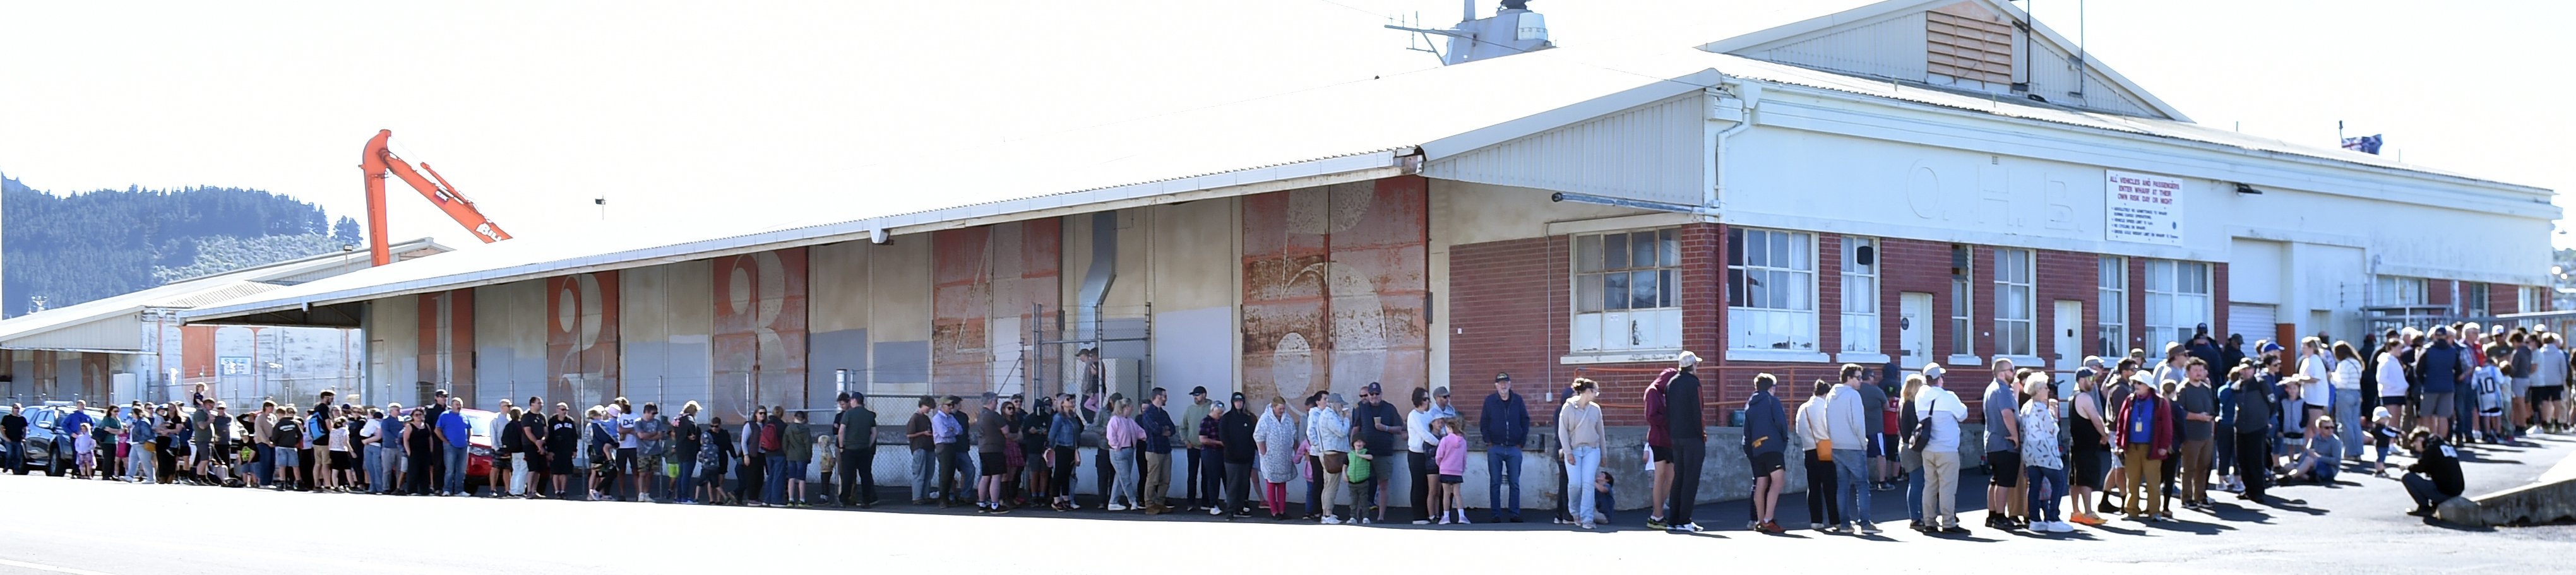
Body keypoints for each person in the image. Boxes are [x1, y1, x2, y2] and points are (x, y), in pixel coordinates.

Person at [1914, 364, 1969, 534]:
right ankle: (1948, 522)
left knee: (1930, 485)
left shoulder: (1920, 396)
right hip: (1947, 448)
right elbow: (1963, 415)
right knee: (1947, 486)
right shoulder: (1948, 397)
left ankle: (1929, 521)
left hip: (1928, 447)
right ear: (1939, 379)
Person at [2018, 374, 2073, 533]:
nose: (2048, 390)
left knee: (2034, 485)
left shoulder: (2027, 406)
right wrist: (2054, 412)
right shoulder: (2041, 408)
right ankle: (2054, 518)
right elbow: (2052, 429)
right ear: (2037, 390)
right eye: (2044, 387)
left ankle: (2035, 520)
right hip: (2045, 452)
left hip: (2030, 451)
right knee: (2059, 482)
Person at [1827, 364, 1878, 535]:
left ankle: (1845, 524)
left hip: (1836, 445)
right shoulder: (1853, 396)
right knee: (1862, 484)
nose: (1861, 381)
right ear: (1849, 378)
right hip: (1853, 445)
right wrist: (1863, 442)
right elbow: (1858, 423)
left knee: (1842, 486)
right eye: (1858, 377)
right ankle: (1865, 523)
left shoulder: (1831, 396)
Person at [2114, 373, 2173, 521]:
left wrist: (2164, 446)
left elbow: (2167, 426)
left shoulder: (2159, 402)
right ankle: (2131, 510)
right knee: (2132, 481)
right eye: (2135, 383)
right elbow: (2121, 423)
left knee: (2153, 481)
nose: (2136, 386)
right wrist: (2120, 444)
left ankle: (2154, 512)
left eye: (2140, 383)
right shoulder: (2130, 400)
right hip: (2132, 447)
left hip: (2152, 447)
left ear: (2148, 386)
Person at [1663, 351, 1708, 533]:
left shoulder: (1671, 383)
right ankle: (1685, 519)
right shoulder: (1694, 383)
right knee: (1691, 479)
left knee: (1679, 478)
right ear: (1693, 366)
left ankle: (1673, 520)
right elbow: (1698, 411)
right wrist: (1702, 434)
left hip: (1676, 436)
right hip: (1692, 437)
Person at [1554, 379, 1607, 530]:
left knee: (1588, 483)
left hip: (1592, 449)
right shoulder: (1568, 407)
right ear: (1588, 391)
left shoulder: (1596, 409)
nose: (1597, 394)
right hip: (1574, 450)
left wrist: (1604, 453)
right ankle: (1574, 511)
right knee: (1575, 483)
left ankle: (1587, 518)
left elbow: (1601, 433)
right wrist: (1568, 452)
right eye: (1595, 391)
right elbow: (1562, 432)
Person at [1479, 372, 1530, 523]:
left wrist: (1522, 442)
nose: (1503, 385)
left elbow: (1525, 421)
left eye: (1506, 382)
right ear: (1496, 385)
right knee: (1495, 482)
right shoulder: (1490, 401)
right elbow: (1484, 422)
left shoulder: (1518, 400)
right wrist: (1488, 441)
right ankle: (1496, 514)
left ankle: (1514, 513)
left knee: (1514, 482)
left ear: (1510, 384)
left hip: (1514, 447)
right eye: (1500, 383)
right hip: (1495, 447)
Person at [1981, 358, 2025, 531]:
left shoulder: (1990, 389)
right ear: (2002, 372)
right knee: (2004, 482)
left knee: (1995, 480)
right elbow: (2007, 414)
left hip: (1992, 442)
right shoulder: (2002, 390)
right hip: (2004, 442)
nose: (2014, 374)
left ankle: (1992, 515)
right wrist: (2015, 436)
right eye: (2011, 370)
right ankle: (2000, 516)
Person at [1742, 372, 1789, 533]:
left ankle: (1760, 520)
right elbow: (1781, 423)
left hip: (1756, 448)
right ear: (1771, 388)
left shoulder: (1750, 404)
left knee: (1760, 483)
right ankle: (1768, 520)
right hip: (1773, 445)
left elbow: (1746, 432)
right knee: (1778, 481)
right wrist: (1784, 440)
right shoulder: (1772, 401)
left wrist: (1750, 450)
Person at [1350, 381, 1402, 523]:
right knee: (1361, 484)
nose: (1374, 396)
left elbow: (1399, 428)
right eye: (1371, 394)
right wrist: (1351, 447)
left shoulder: (1389, 408)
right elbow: (1356, 428)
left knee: (1383, 484)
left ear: (1381, 394)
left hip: (1384, 452)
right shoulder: (1361, 408)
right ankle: (1358, 515)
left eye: (1376, 394)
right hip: (1364, 452)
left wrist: (1384, 428)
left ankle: (1381, 517)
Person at [2067, 369, 2111, 526]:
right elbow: (2096, 419)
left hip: (2077, 444)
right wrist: (2105, 434)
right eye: (2090, 378)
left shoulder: (2072, 397)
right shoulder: (2084, 397)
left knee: (2076, 479)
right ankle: (2088, 513)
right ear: (2081, 380)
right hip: (2087, 446)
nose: (2094, 381)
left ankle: (2076, 512)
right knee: (2087, 479)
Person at [1797, 378, 1839, 531]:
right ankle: (1836, 519)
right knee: (1830, 486)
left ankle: (1816, 520)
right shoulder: (1826, 407)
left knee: (1813, 487)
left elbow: (1798, 430)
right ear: (1826, 394)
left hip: (1809, 449)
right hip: (1826, 449)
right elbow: (1830, 428)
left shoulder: (1803, 408)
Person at [2176, 359, 2219, 511]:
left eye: (2201, 370)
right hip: (2191, 435)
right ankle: (2187, 498)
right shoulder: (2183, 389)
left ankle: (2200, 496)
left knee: (2204, 467)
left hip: (2207, 434)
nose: (2198, 373)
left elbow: (2212, 412)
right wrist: (2198, 417)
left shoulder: (2207, 388)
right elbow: (2179, 413)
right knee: (2189, 468)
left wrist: (2212, 431)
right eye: (2195, 370)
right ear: (2187, 372)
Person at [1308, 393, 1353, 524]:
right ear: (1334, 404)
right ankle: (1327, 514)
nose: (1341, 407)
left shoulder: (1327, 415)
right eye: (1340, 404)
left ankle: (1326, 513)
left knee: (1328, 485)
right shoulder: (1330, 416)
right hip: (1332, 455)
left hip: (1327, 454)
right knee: (1331, 486)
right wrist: (1346, 419)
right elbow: (1342, 432)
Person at [2418, 326, 2467, 446]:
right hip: (2448, 387)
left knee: (2427, 415)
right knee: (2443, 416)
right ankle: (2442, 441)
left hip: (2430, 386)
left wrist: (2424, 382)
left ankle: (2430, 440)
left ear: (2435, 336)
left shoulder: (2428, 350)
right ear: (2446, 336)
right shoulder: (2453, 351)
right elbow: (2459, 371)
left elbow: (2418, 370)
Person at [2400, 427, 2463, 519]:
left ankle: (2424, 507)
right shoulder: (2444, 445)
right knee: (2431, 475)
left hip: (2445, 493)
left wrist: (2405, 467)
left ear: (2420, 440)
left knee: (2407, 476)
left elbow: (2420, 467)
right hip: (2456, 490)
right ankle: (2435, 504)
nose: (2416, 448)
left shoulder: (2431, 449)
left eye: (2415, 444)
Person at [1642, 366, 1677, 530]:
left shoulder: (1666, 394)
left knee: (1671, 477)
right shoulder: (1653, 392)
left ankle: (1659, 512)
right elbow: (1651, 416)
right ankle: (1656, 515)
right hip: (1658, 439)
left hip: (1670, 440)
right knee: (1660, 475)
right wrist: (1670, 419)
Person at [1255, 396, 1300, 520]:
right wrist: (1264, 453)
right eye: (1280, 409)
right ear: (1274, 407)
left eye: (1283, 409)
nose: (1282, 411)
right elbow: (1259, 436)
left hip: (1284, 457)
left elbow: (1294, 435)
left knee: (1282, 483)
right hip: (1270, 457)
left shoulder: (1288, 419)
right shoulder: (1265, 419)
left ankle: (1282, 510)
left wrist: (1296, 451)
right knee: (1271, 483)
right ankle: (1274, 511)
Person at [830, 393, 876, 507]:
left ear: (855, 400)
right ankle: (866, 500)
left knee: (848, 476)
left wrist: (841, 447)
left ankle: (844, 500)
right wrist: (868, 445)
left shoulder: (848, 414)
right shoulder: (870, 415)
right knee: (865, 475)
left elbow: (841, 431)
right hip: (864, 449)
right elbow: (874, 433)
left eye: (851, 400)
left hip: (850, 449)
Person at [1219, 391, 1258, 519]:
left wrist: (1252, 452)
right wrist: (1232, 452)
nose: (1239, 404)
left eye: (1241, 401)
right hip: (1232, 459)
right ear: (1232, 403)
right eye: (1236, 401)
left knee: (1243, 485)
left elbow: (1252, 438)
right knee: (1233, 485)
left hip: (1246, 458)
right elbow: (1224, 437)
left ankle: (1240, 508)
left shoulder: (1247, 419)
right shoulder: (1227, 418)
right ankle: (1230, 510)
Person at [1139, 388, 1178, 514]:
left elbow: (1172, 429)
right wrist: (1163, 429)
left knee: (1165, 479)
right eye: (1164, 396)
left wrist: (1164, 429)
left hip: (1165, 449)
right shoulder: (1148, 413)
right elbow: (1155, 429)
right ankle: (1149, 504)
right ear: (1158, 397)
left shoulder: (1164, 413)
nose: (1166, 398)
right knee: (1153, 479)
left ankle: (1160, 503)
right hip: (1154, 450)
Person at [1101, 398, 1144, 512]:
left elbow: (1139, 431)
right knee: (1125, 478)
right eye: (1131, 407)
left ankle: (1113, 502)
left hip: (1129, 451)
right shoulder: (1115, 420)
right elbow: (1111, 437)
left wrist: (1145, 436)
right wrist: (1117, 447)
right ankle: (1133, 501)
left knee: (1120, 478)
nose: (1132, 409)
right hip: (1119, 452)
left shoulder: (1129, 421)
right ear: (1126, 407)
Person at [1405, 386, 1438, 525]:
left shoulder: (1426, 415)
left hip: (1426, 455)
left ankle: (1427, 514)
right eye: (1425, 399)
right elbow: (1424, 434)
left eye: (1428, 399)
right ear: (1418, 400)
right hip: (1416, 454)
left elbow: (1436, 422)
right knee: (1418, 485)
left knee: (1426, 486)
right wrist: (1441, 443)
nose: (1427, 402)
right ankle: (1418, 517)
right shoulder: (1413, 415)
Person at [1179, 386, 1213, 511]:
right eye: (1194, 395)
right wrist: (1186, 441)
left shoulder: (1211, 408)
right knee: (1192, 475)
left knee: (1207, 475)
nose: (1195, 397)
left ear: (1204, 395)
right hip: (1192, 447)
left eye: (1197, 395)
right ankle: (1190, 502)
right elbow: (1183, 427)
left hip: (1207, 448)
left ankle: (1206, 501)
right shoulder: (1190, 410)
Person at [2284, 416, 2343, 484]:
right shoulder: (2315, 439)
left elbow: (2336, 461)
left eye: (2332, 427)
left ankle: (2290, 477)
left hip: (2330, 470)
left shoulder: (2336, 442)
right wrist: (2299, 466)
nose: (2330, 430)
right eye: (2327, 428)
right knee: (2288, 466)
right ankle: (2309, 478)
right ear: (2320, 429)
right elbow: (2307, 452)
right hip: (2313, 466)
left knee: (2308, 460)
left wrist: (2318, 458)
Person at [1433, 416, 1469, 525]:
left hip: (1445, 470)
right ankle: (1462, 516)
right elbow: (1464, 458)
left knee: (1446, 494)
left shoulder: (1445, 440)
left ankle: (1446, 516)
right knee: (1458, 494)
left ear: (1450, 428)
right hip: (1457, 471)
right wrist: (1462, 469)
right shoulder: (1463, 442)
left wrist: (1441, 465)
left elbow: (1439, 456)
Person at [272, 406, 306, 492]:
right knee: (295, 466)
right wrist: (295, 442)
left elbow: (274, 437)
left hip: (281, 447)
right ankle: (299, 483)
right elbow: (301, 435)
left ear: (280, 414)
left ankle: (282, 483)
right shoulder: (294, 423)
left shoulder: (279, 424)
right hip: (292, 447)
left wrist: (276, 443)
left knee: (282, 466)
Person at [3, 403, 25, 472]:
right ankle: (7, 466)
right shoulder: (7, 418)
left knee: (18, 456)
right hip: (9, 440)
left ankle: (16, 469)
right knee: (9, 454)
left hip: (18, 440)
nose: (17, 410)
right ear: (13, 409)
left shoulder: (22, 419)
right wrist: (5, 437)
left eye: (18, 408)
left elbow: (25, 429)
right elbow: (2, 427)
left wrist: (24, 437)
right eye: (16, 408)